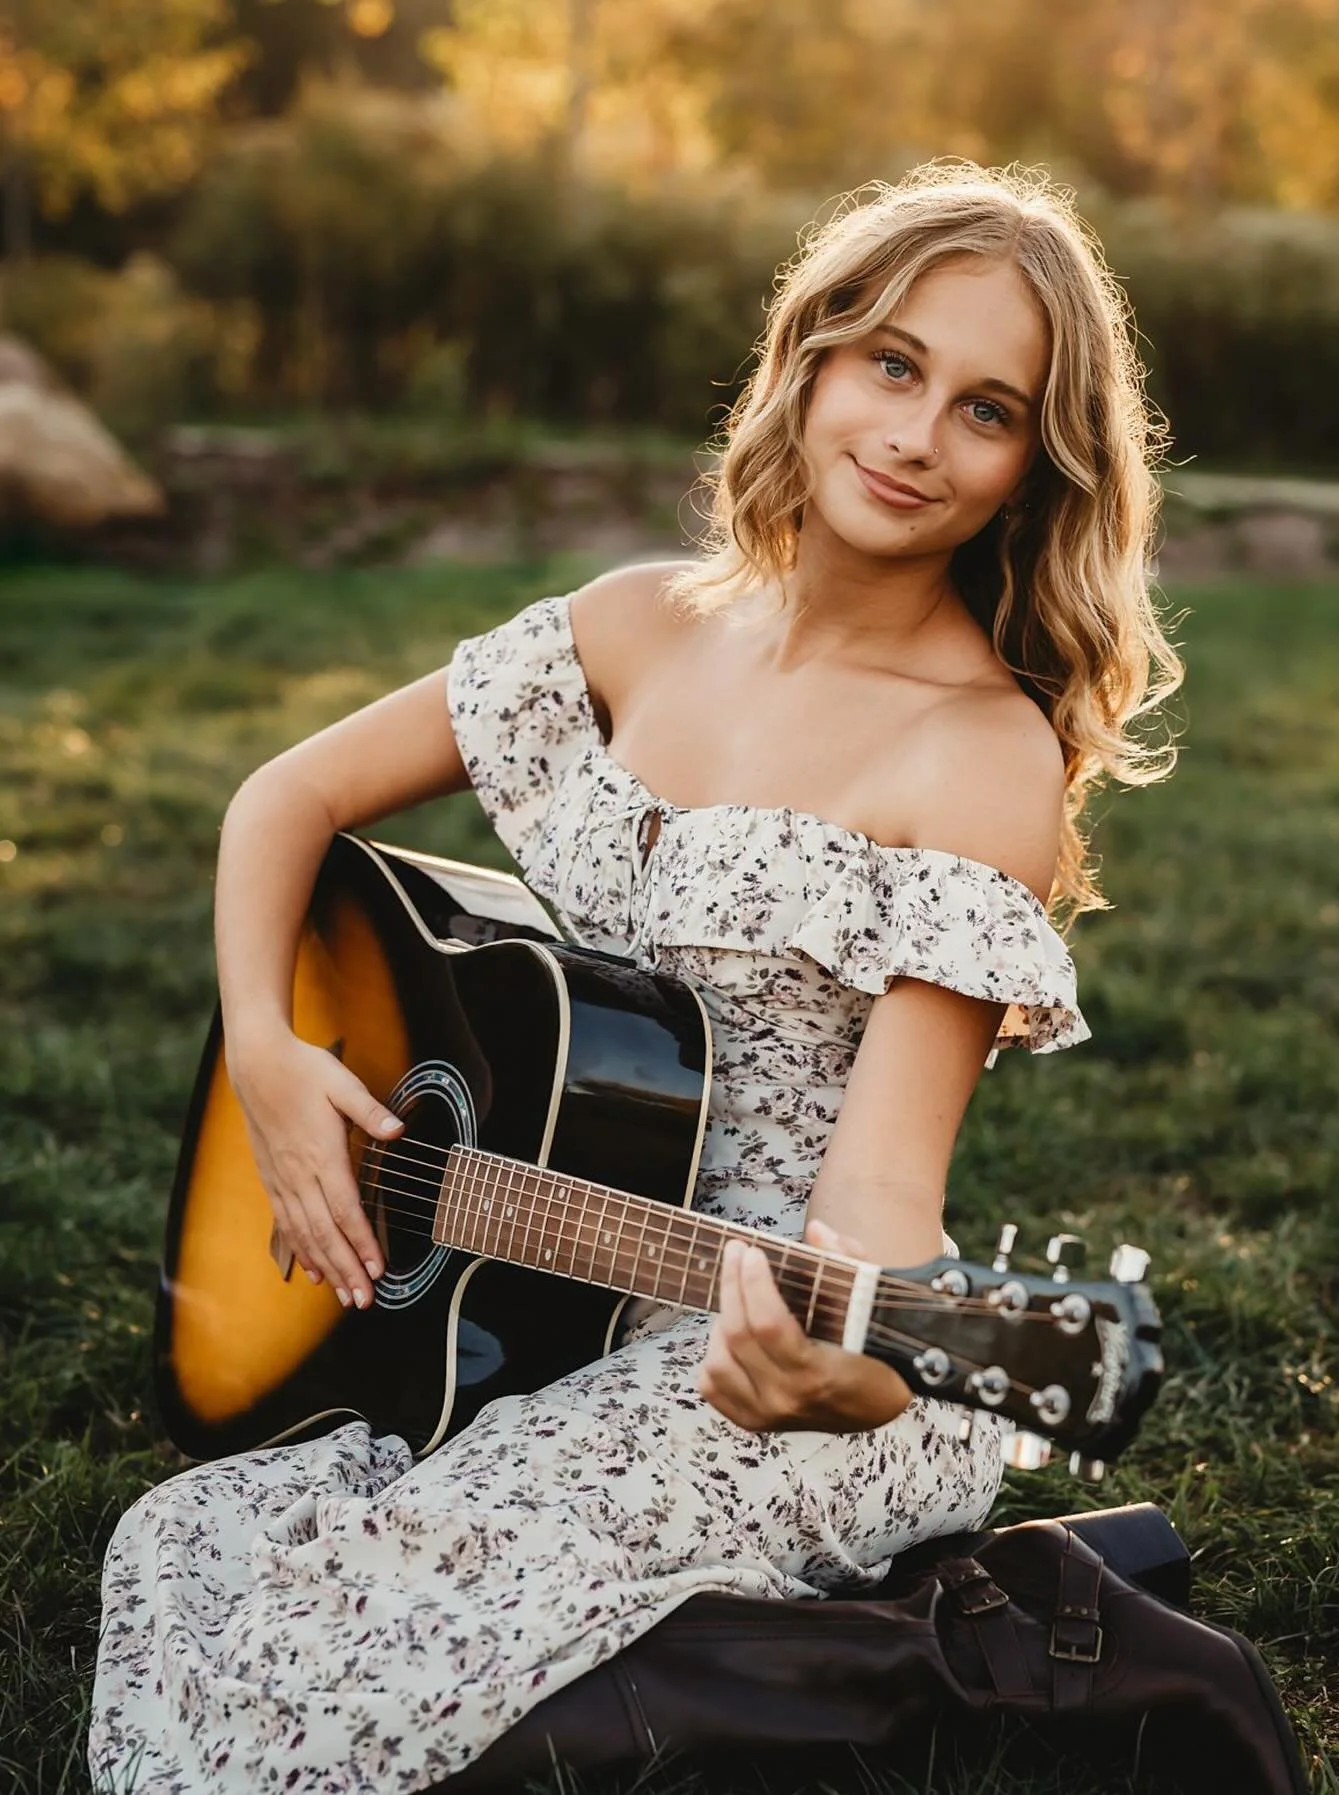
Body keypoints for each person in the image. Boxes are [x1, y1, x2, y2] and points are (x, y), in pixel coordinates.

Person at [90, 160, 1182, 1793]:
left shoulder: (980, 755)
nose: (914, 434)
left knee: (323, 1628)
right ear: (811, 357)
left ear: (1035, 465)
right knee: (190, 1545)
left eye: (988, 409)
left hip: (756, 1340)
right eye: (893, 364)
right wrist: (267, 1046)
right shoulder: (633, 627)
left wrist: (853, 1368)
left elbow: (883, 1194)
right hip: (516, 1271)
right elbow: (284, 799)